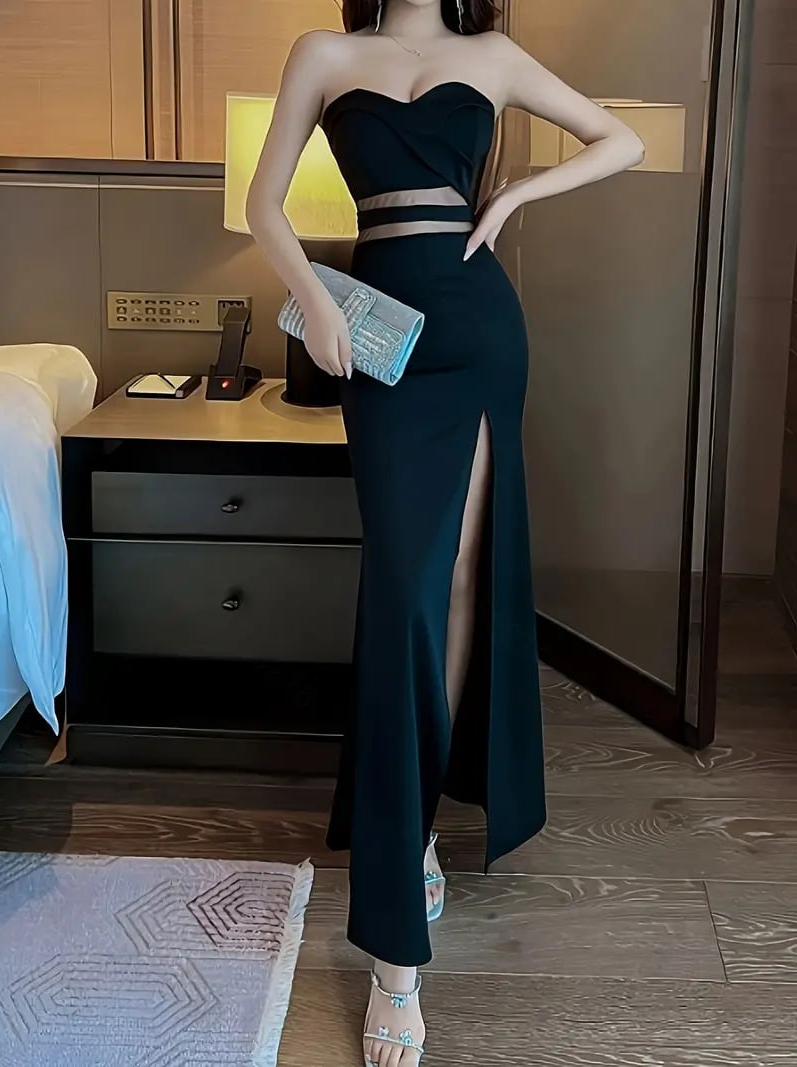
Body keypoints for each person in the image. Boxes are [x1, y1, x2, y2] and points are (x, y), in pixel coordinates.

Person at [246, 1, 643, 1062]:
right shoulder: (324, 52)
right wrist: (311, 300)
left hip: (477, 327)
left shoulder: (493, 55)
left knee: (462, 579)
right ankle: (393, 951)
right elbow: (260, 203)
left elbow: (621, 140)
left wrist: (514, 194)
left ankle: (415, 824)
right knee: (404, 598)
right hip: (381, 340)